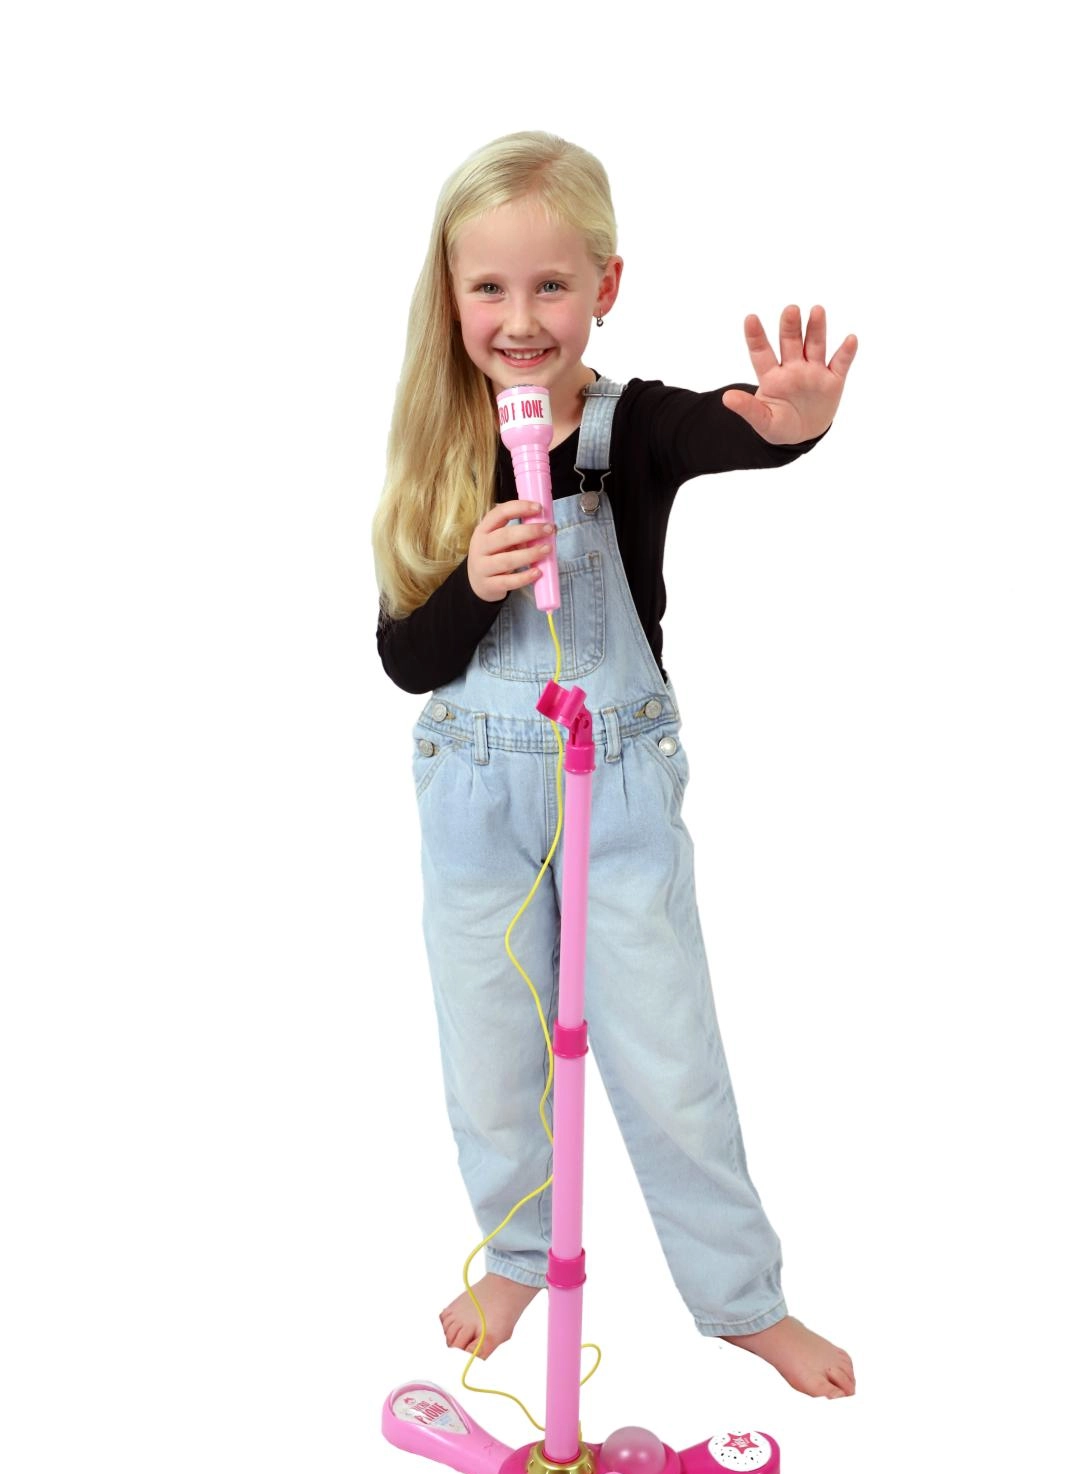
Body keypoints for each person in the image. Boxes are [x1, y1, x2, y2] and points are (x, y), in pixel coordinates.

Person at [372, 131, 858, 1399]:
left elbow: (723, 429)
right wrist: (472, 585)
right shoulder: (433, 442)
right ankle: (517, 1253)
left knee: (669, 1056)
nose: (520, 318)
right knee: (492, 1051)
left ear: (605, 285)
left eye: (551, 285)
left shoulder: (627, 426)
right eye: (489, 287)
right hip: (476, 798)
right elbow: (406, 658)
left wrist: (788, 427)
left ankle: (741, 1298)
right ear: (450, 294)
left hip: (618, 787)